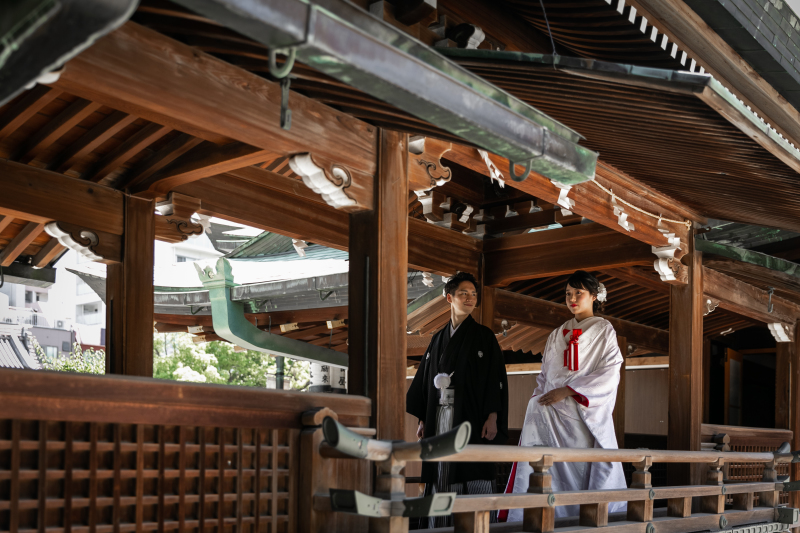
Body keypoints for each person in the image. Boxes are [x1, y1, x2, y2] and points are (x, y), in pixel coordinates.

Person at [503, 270, 627, 522]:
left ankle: (579, 520)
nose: (572, 298)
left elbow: (610, 372)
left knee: (578, 469)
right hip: (550, 415)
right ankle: (544, 518)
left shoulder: (604, 330)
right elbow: (544, 376)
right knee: (545, 468)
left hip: (580, 412)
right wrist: (539, 398)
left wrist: (570, 390)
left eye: (578, 293)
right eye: (568, 293)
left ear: (594, 295)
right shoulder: (556, 333)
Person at [406, 271, 509, 527]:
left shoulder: (484, 336)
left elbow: (494, 378)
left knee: (472, 467)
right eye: (463, 293)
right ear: (449, 297)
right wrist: (423, 418)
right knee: (441, 471)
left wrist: (493, 416)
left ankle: (476, 524)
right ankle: (439, 525)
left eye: (473, 294)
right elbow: (425, 380)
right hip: (439, 419)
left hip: (471, 416)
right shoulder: (437, 339)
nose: (470, 298)